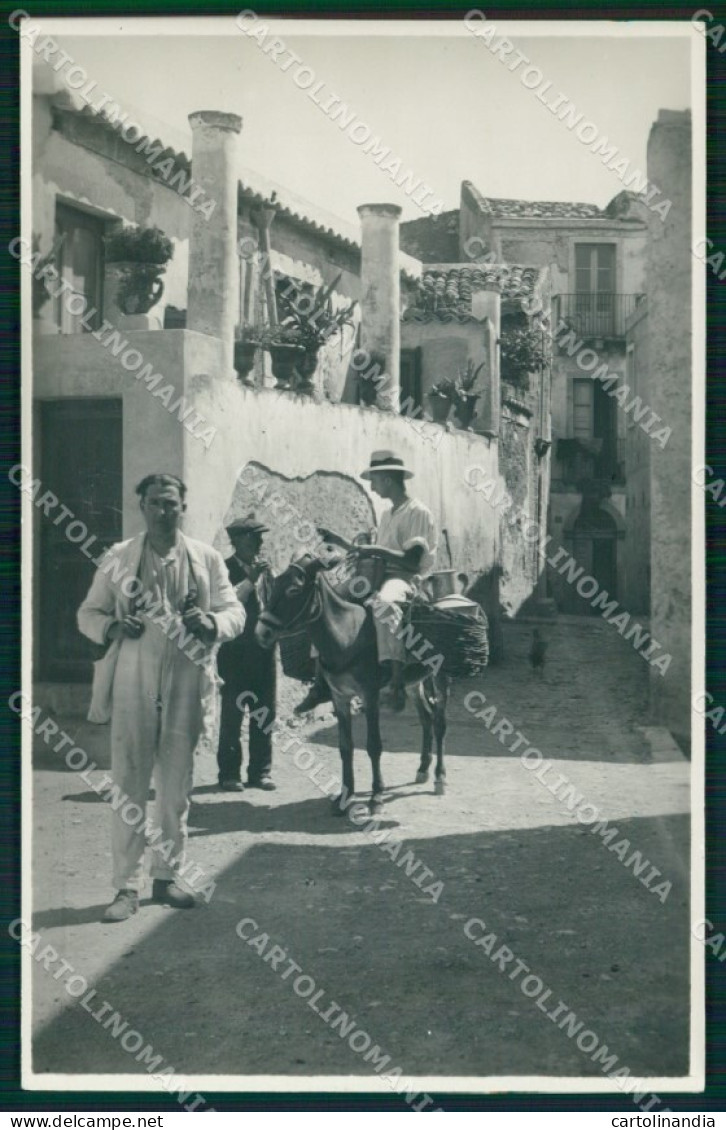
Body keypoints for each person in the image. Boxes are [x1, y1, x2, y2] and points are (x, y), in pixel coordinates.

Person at [77, 473, 245, 923]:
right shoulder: (119, 558)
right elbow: (87, 613)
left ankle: (167, 877)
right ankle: (125, 888)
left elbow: (235, 612)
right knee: (129, 779)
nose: (164, 511)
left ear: (182, 507)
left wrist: (209, 622)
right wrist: (113, 627)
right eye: (155, 503)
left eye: (171, 503)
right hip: (134, 671)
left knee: (175, 784)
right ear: (142, 507)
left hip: (187, 675)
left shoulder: (206, 559)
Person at [296, 449, 438, 713]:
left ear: (386, 479)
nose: (372, 486)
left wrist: (374, 551)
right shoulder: (387, 514)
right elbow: (373, 552)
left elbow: (411, 561)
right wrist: (340, 541)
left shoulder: (417, 512)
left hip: (403, 578)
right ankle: (319, 683)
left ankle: (395, 683)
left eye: (374, 479)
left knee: (385, 604)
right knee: (327, 601)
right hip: (376, 574)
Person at [216, 515, 276, 792]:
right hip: (235, 654)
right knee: (233, 714)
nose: (259, 543)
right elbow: (226, 604)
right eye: (254, 538)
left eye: (260, 538)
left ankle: (260, 772)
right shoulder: (224, 569)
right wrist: (251, 580)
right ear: (238, 541)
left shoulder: (265, 570)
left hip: (263, 653)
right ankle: (229, 774)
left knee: (264, 714)